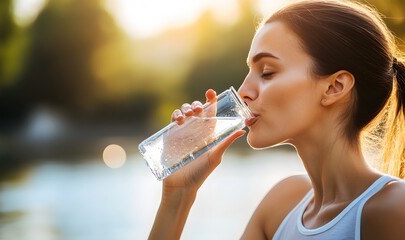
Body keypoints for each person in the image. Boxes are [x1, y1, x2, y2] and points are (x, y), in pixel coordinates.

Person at [148, 0, 405, 239]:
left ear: (334, 87)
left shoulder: (393, 207)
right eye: (250, 72)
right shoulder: (281, 205)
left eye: (267, 72)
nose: (243, 91)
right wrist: (178, 195)